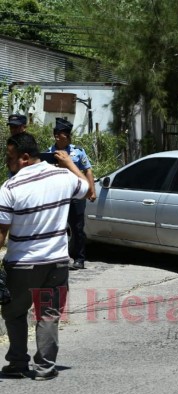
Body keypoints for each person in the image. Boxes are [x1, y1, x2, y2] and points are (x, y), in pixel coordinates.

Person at [0, 132, 89, 380]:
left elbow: (1, 232)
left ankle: (18, 363)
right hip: (57, 264)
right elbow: (86, 188)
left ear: (25, 158)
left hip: (22, 266)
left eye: (10, 157)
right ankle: (45, 368)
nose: (7, 162)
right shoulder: (64, 177)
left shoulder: (10, 187)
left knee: (15, 313)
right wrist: (70, 164)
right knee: (48, 315)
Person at [48, 118, 96, 270]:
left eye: (66, 134)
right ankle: (58, 257)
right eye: (61, 134)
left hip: (77, 195)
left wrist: (92, 191)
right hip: (58, 195)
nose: (58, 137)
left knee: (77, 227)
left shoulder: (78, 151)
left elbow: (88, 170)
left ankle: (79, 258)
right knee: (58, 227)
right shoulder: (49, 153)